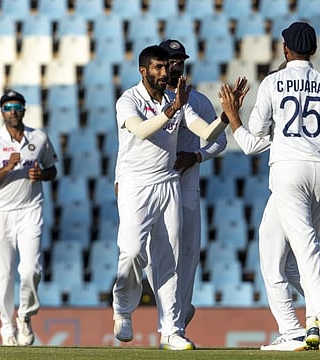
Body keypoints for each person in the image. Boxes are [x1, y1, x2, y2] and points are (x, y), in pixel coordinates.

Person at [219, 79, 320, 352]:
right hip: (319, 171)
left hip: (288, 178)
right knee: (289, 261)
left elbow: (248, 141)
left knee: (290, 254)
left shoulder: (276, 94)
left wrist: (232, 115)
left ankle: (307, 323)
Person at [247, 22, 320, 352]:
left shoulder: (272, 82)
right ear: (314, 51)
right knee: (280, 253)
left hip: (288, 168)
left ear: (285, 49)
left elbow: (255, 128)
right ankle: (301, 329)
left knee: (304, 248)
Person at [112, 45, 229, 350]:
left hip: (168, 183)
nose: (165, 73)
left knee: (170, 260)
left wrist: (227, 118)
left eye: (168, 68)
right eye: (158, 68)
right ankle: (123, 309)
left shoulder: (176, 100)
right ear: (143, 71)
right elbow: (139, 130)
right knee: (133, 252)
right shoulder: (129, 99)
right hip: (136, 185)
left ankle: (171, 331)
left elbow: (206, 132)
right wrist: (171, 110)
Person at [153, 39, 227, 332]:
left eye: (180, 60)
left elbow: (219, 140)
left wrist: (196, 156)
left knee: (185, 255)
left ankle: (176, 320)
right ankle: (175, 312)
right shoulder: (147, 101)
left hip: (186, 186)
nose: (176, 66)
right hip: (153, 185)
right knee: (149, 253)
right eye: (170, 61)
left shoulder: (197, 101)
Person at [0, 90, 58, 346]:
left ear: (24, 109)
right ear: (2, 111)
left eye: (17, 106)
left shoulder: (39, 137)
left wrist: (41, 176)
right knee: (5, 273)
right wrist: (7, 168)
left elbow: (52, 170)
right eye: (8, 106)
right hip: (0, 213)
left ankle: (25, 314)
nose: (13, 111)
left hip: (31, 209)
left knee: (31, 269)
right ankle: (7, 326)